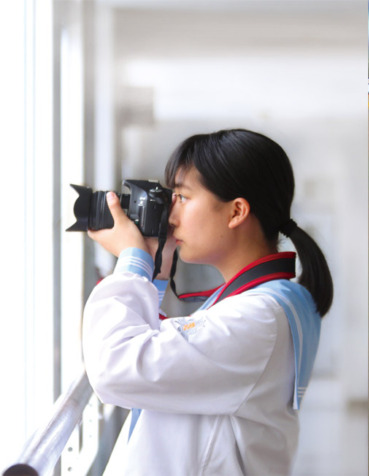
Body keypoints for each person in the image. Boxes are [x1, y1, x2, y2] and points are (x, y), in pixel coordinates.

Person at [82, 128, 333, 475]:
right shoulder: (267, 302)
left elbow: (117, 369)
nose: (171, 216)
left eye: (182, 198)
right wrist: (155, 270)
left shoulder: (258, 318)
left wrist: (132, 261)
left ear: (236, 212)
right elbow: (167, 357)